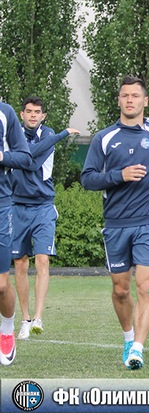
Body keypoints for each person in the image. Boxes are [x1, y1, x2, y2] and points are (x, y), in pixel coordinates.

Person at [81, 75, 149, 369]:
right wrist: (119, 176)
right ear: (119, 100)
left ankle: (138, 348)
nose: (130, 100)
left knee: (145, 286)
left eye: (135, 96)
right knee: (121, 289)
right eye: (125, 95)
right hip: (116, 224)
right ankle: (128, 338)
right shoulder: (104, 138)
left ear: (145, 101)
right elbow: (87, 179)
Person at [11, 96, 80, 340]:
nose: (33, 115)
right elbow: (25, 157)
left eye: (37, 112)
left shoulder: (48, 134)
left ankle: (39, 317)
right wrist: (62, 135)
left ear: (43, 116)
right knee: (20, 263)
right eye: (29, 111)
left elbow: (29, 162)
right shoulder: (13, 134)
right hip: (17, 205)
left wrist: (56, 136)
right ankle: (25, 320)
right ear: (21, 114)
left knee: (42, 259)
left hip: (43, 205)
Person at [0, 99, 32, 366]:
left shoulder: (6, 112)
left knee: (1, 285)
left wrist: (2, 157)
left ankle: (7, 330)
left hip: (1, 204)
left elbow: (24, 157)